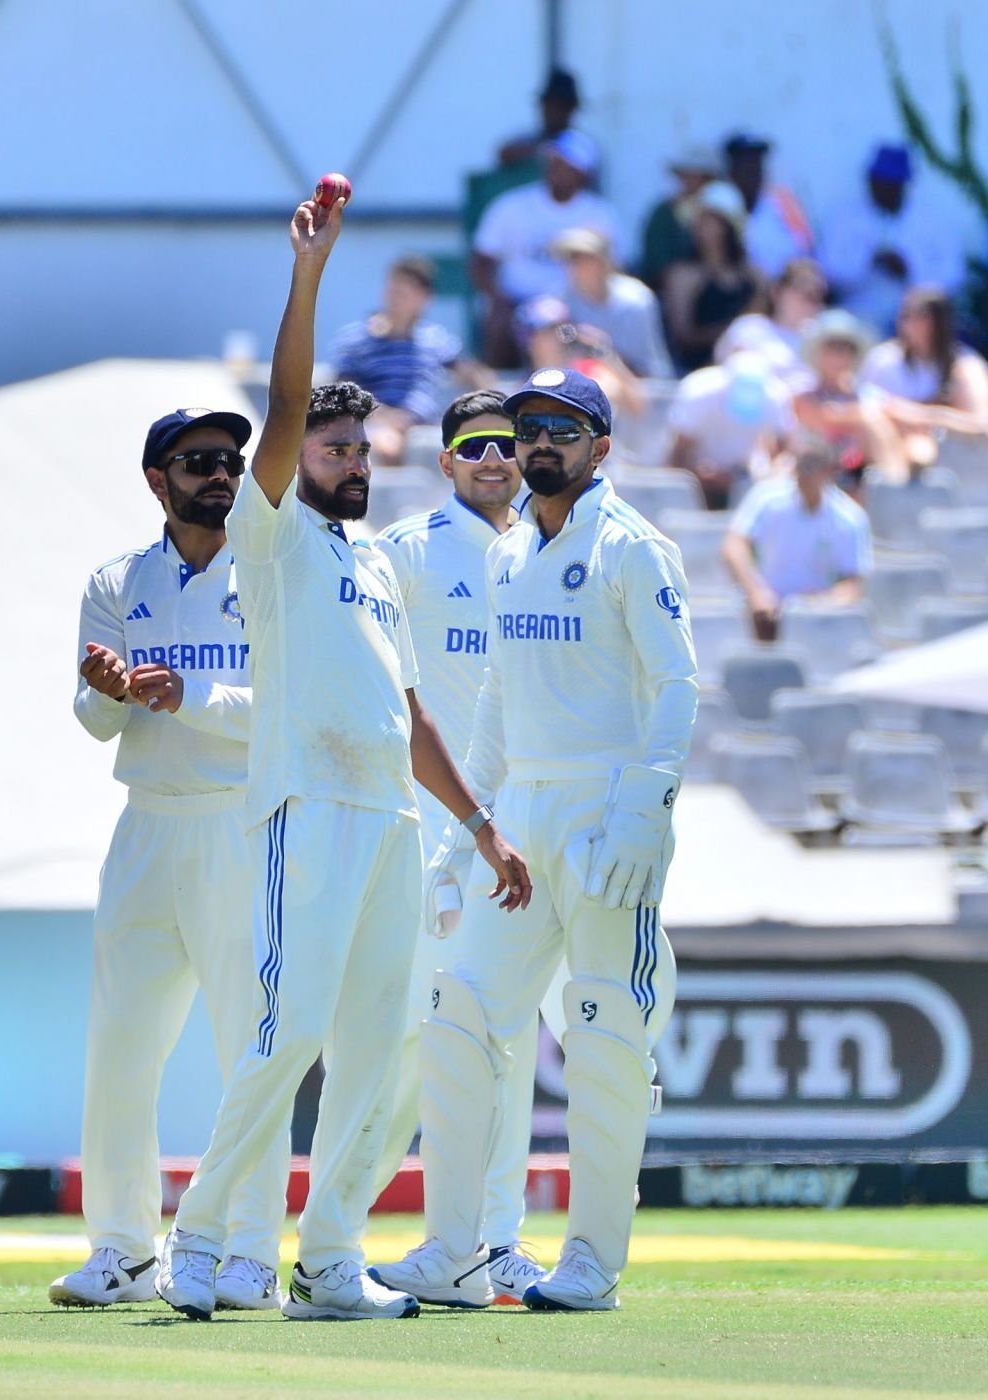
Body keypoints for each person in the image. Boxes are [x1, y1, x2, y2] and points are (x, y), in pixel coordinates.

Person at [154, 194, 531, 1324]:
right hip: (308, 808)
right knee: (290, 1032)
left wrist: (479, 824)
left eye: (363, 445)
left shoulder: (371, 561)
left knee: (387, 1051)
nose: (354, 459)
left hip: (395, 820)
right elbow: (279, 403)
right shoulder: (268, 534)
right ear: (296, 458)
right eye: (335, 445)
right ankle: (202, 1240)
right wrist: (309, 276)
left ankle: (328, 1259)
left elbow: (412, 713)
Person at [371, 366, 695, 1314]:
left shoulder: (636, 548)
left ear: (601, 444)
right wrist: (466, 831)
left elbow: (678, 686)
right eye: (525, 429)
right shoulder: (508, 552)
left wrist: (646, 807)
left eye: (560, 428)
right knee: (460, 1015)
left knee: (602, 1034)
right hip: (521, 816)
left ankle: (591, 1261)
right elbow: (499, 705)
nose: (536, 445)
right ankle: (455, 1250)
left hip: (606, 817)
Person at [49, 405, 290, 1313]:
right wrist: (109, 695)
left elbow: (283, 706)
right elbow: (90, 715)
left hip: (241, 824)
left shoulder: (268, 569)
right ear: (158, 480)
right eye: (198, 462)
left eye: (230, 460)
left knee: (251, 1051)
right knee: (120, 1049)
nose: (221, 474)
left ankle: (249, 1254)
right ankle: (119, 1249)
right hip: (145, 823)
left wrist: (187, 695)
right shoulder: (119, 580)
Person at [367, 391, 558, 1306]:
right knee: (409, 1041)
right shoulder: (404, 551)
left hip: (523, 835)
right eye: (474, 445)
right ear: (445, 461)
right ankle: (342, 1236)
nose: (494, 458)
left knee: (507, 1044)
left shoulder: (543, 552)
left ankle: (495, 1243)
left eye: (507, 445)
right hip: (425, 837)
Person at [472, 130, 621, 366]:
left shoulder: (600, 213)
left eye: (566, 164)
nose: (557, 168)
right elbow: (480, 261)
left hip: (575, 306)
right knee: (498, 319)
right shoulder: (511, 205)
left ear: (582, 172)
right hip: (516, 303)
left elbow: (615, 267)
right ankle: (495, 390)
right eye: (554, 161)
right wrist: (497, 297)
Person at [329, 254, 486, 464]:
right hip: (375, 424)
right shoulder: (357, 339)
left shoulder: (436, 340)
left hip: (427, 425)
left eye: (405, 293)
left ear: (424, 298)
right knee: (386, 446)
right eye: (393, 290)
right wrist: (383, 416)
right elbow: (343, 392)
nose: (395, 298)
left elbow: (473, 375)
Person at [723, 442, 873, 642]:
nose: (804, 474)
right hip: (763, 617)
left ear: (828, 471)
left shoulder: (850, 518)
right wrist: (756, 591)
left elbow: (852, 583)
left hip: (817, 624)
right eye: (800, 465)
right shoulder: (767, 498)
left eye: (812, 466)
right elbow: (734, 545)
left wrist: (822, 604)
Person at [818, 144, 967, 333]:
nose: (883, 189)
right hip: (856, 322)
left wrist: (910, 270)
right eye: (878, 182)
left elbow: (953, 274)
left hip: (917, 327)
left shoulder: (932, 221)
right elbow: (827, 269)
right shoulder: (844, 217)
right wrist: (868, 262)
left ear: (903, 185)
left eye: (890, 184)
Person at [859, 286, 988, 466]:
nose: (906, 324)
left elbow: (981, 424)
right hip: (890, 452)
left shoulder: (965, 363)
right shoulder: (883, 361)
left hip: (954, 458)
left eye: (919, 317)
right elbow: (866, 412)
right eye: (905, 315)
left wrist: (923, 415)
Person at [791, 310, 909, 488]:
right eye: (832, 349)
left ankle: (895, 485)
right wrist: (867, 415)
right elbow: (824, 415)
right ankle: (895, 485)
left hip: (860, 476)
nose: (839, 357)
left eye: (846, 350)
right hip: (815, 477)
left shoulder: (867, 395)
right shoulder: (804, 393)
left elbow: (909, 413)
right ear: (817, 353)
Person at [667, 349, 796, 507]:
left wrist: (768, 477)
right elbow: (677, 456)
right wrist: (697, 474)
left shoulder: (776, 398)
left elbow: (785, 453)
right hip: (697, 482)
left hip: (747, 479)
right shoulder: (699, 393)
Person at [662, 182, 763, 371]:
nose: (702, 226)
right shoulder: (682, 274)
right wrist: (732, 335)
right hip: (699, 369)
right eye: (699, 219)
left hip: (748, 368)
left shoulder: (752, 274)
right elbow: (683, 336)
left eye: (711, 219)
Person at [555, 228, 673, 378]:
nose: (575, 266)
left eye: (584, 258)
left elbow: (643, 367)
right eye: (570, 259)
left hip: (644, 386)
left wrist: (601, 349)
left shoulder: (636, 301)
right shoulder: (560, 301)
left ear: (604, 261)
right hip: (581, 384)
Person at [521, 297, 645, 424]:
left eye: (563, 328)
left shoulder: (591, 372)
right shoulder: (524, 387)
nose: (558, 336)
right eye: (548, 330)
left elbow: (637, 408)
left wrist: (605, 353)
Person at [714, 258, 830, 391]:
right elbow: (726, 372)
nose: (809, 299)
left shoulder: (823, 337)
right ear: (777, 292)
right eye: (802, 290)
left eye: (817, 294)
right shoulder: (750, 328)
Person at [721, 133, 814, 281]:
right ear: (732, 169)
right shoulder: (719, 205)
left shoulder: (783, 201)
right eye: (744, 164)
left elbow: (806, 250)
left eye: (756, 163)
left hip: (784, 287)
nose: (751, 171)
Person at [636, 141, 721, 290]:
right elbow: (656, 265)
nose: (691, 181)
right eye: (686, 175)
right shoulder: (663, 213)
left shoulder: (722, 212)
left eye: (699, 176)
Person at [496, 69, 582, 169]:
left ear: (570, 109)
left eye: (558, 106)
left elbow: (572, 171)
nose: (552, 112)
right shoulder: (533, 138)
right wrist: (539, 151)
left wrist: (550, 156)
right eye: (548, 105)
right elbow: (503, 153)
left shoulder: (580, 144)